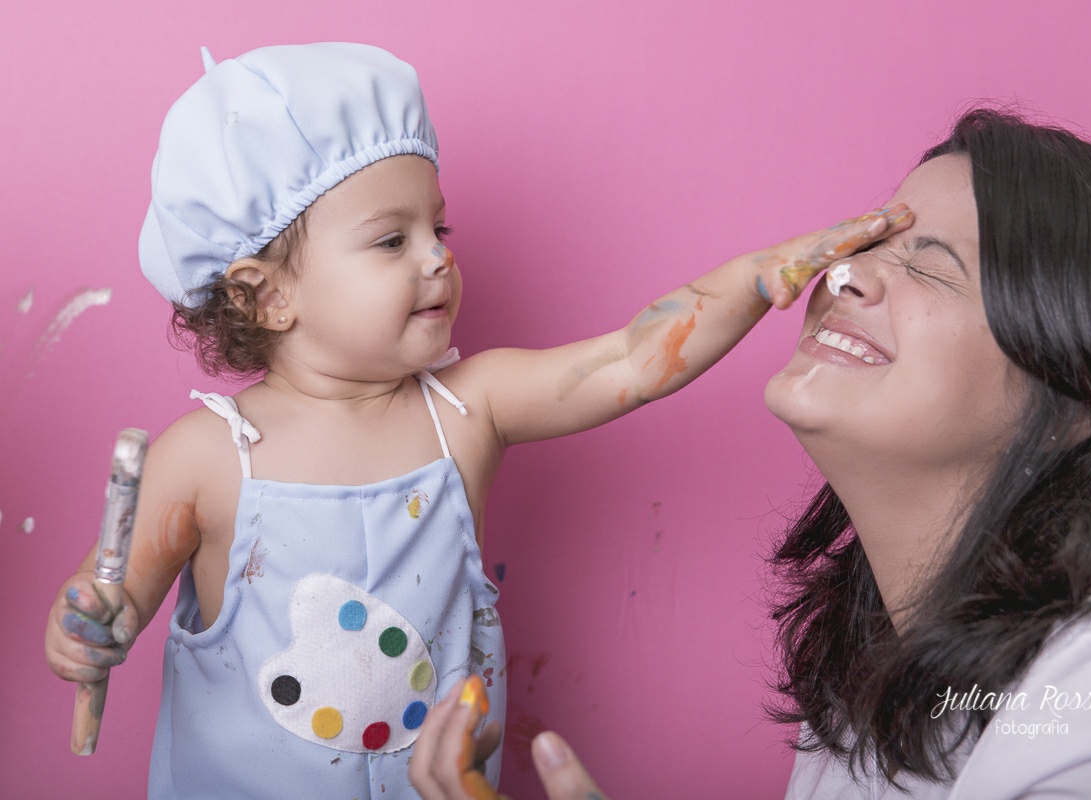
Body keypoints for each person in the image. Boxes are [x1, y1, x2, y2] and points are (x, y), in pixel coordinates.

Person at [42, 42, 910, 800]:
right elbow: (104, 601)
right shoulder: (204, 457)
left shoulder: (470, 408)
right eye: (393, 240)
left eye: (439, 226)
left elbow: (630, 361)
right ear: (266, 295)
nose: (438, 255)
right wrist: (85, 630)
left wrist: (761, 278)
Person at [408, 108, 1091, 799]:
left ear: (1077, 391)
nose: (844, 273)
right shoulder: (869, 688)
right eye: (869, 241)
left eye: (931, 262)